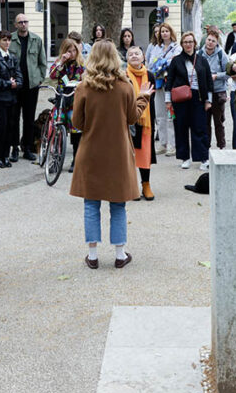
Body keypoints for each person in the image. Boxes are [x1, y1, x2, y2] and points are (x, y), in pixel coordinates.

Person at [70, 40, 152, 269]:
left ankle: (93, 256)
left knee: (90, 203)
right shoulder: (125, 86)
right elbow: (132, 118)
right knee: (118, 204)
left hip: (91, 151)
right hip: (118, 152)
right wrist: (143, 97)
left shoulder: (83, 87)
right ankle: (119, 253)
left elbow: (77, 122)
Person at [165, 31, 212, 170]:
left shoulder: (202, 60)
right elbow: (170, 82)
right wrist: (168, 101)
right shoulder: (176, 60)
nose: (188, 45)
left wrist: (208, 100)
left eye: (190, 42)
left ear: (195, 43)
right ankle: (185, 158)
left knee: (200, 128)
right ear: (182, 44)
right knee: (181, 128)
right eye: (185, 42)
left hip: (198, 98)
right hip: (180, 99)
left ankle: (203, 158)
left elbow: (209, 81)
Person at [9, 13, 47, 163]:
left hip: (31, 86)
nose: (23, 24)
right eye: (20, 22)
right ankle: (14, 149)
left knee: (29, 118)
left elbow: (42, 62)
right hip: (15, 86)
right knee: (14, 118)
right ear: (16, 25)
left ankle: (28, 147)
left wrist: (38, 80)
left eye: (25, 21)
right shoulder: (10, 39)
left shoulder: (36, 40)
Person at [48, 38, 86, 171]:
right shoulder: (60, 63)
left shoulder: (81, 65)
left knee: (76, 130)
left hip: (74, 100)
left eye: (74, 50)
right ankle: (55, 160)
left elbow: (85, 79)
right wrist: (61, 62)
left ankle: (76, 159)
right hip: (61, 99)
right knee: (57, 128)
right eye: (68, 51)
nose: (71, 53)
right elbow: (52, 75)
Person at [125, 46, 157, 201]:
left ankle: (146, 184)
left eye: (137, 53)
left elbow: (153, 98)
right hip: (128, 120)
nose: (134, 56)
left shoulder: (150, 75)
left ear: (143, 57)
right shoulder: (123, 76)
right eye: (130, 54)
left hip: (146, 120)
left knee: (145, 154)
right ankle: (131, 187)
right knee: (129, 155)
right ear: (126, 58)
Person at [0, 30, 21, 168]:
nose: (7, 42)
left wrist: (16, 83)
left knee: (10, 127)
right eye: (4, 40)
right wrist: (9, 83)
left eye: (8, 40)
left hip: (11, 97)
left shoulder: (12, 57)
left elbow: (19, 75)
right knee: (1, 127)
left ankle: (5, 156)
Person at [146, 23, 180, 156]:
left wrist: (164, 63)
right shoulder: (155, 47)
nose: (164, 33)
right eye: (162, 31)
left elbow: (175, 63)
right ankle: (163, 143)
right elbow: (151, 63)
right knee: (159, 114)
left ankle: (173, 144)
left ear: (171, 32)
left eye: (166, 31)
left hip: (170, 83)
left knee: (170, 115)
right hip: (158, 82)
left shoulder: (176, 48)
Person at [198, 30, 229, 150]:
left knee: (218, 122)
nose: (210, 43)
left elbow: (228, 73)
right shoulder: (199, 54)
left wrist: (216, 76)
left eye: (213, 41)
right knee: (205, 123)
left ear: (217, 43)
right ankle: (206, 148)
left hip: (218, 92)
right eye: (209, 40)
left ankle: (221, 146)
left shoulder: (222, 55)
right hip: (204, 92)